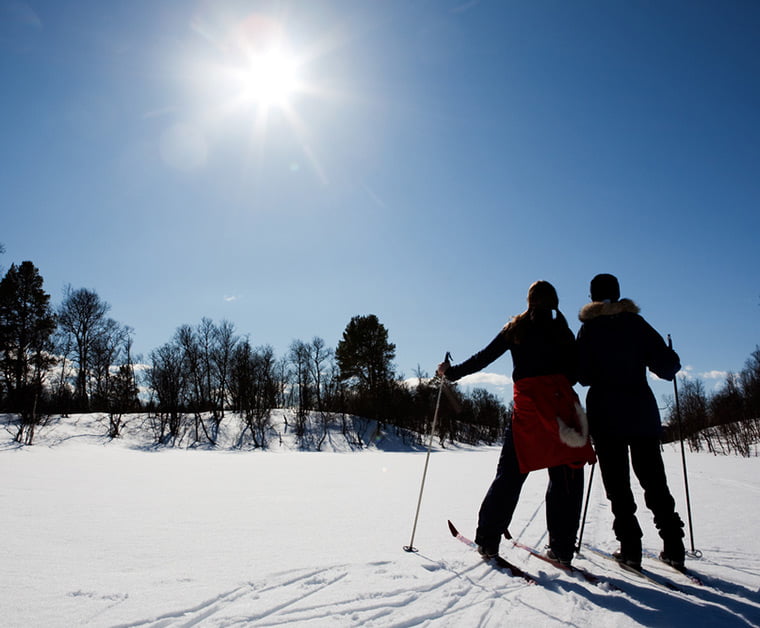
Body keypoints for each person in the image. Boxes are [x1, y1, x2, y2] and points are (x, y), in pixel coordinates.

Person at [437, 280, 596, 565]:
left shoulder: (516, 329)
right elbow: (575, 375)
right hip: (561, 410)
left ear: (529, 301)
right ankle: (561, 548)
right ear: (555, 302)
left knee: (510, 474)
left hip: (528, 413)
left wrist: (451, 373)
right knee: (565, 476)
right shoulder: (564, 332)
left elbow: (483, 358)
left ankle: (488, 540)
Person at [576, 273, 685, 569]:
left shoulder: (589, 329)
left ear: (593, 297)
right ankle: (673, 544)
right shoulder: (636, 324)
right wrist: (671, 358)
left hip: (606, 415)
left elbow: (582, 376)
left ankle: (631, 547)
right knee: (654, 480)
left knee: (617, 484)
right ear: (618, 293)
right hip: (641, 414)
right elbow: (666, 368)